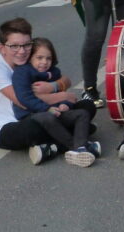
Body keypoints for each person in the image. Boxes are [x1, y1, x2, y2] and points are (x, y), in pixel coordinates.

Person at [0, 18, 97, 164]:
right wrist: (63, 95)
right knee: (37, 126)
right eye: (14, 46)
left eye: (26, 45)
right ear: (2, 48)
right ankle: (74, 141)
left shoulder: (29, 59)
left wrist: (54, 86)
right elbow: (22, 101)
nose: (22, 51)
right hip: (9, 127)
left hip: (41, 112)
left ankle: (53, 146)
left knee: (87, 106)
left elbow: (64, 79)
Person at [11, 37, 99, 167]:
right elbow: (25, 98)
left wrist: (65, 105)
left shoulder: (53, 72)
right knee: (48, 118)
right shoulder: (22, 73)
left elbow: (65, 95)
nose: (44, 62)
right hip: (33, 115)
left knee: (82, 114)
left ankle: (81, 148)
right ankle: (75, 147)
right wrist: (47, 109)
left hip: (55, 112)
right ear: (30, 58)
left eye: (48, 58)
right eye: (39, 58)